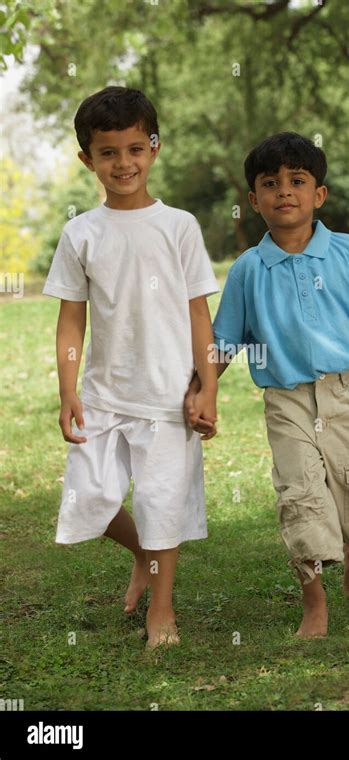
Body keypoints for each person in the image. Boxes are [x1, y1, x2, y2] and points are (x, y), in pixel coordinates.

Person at [184, 132, 349, 639]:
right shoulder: (248, 270)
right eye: (270, 183)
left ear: (318, 194)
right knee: (302, 497)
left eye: (297, 181)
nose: (285, 191)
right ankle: (314, 604)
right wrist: (201, 389)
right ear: (254, 200)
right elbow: (226, 341)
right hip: (288, 401)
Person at [42, 86, 219, 649]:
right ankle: (142, 552)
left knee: (162, 505)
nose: (124, 163)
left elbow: (199, 314)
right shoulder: (81, 234)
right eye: (109, 152)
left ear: (155, 148)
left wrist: (207, 385)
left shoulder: (180, 226)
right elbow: (72, 322)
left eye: (135, 148)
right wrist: (68, 390)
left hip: (167, 396)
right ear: (86, 159)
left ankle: (161, 612)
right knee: (89, 500)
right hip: (103, 394)